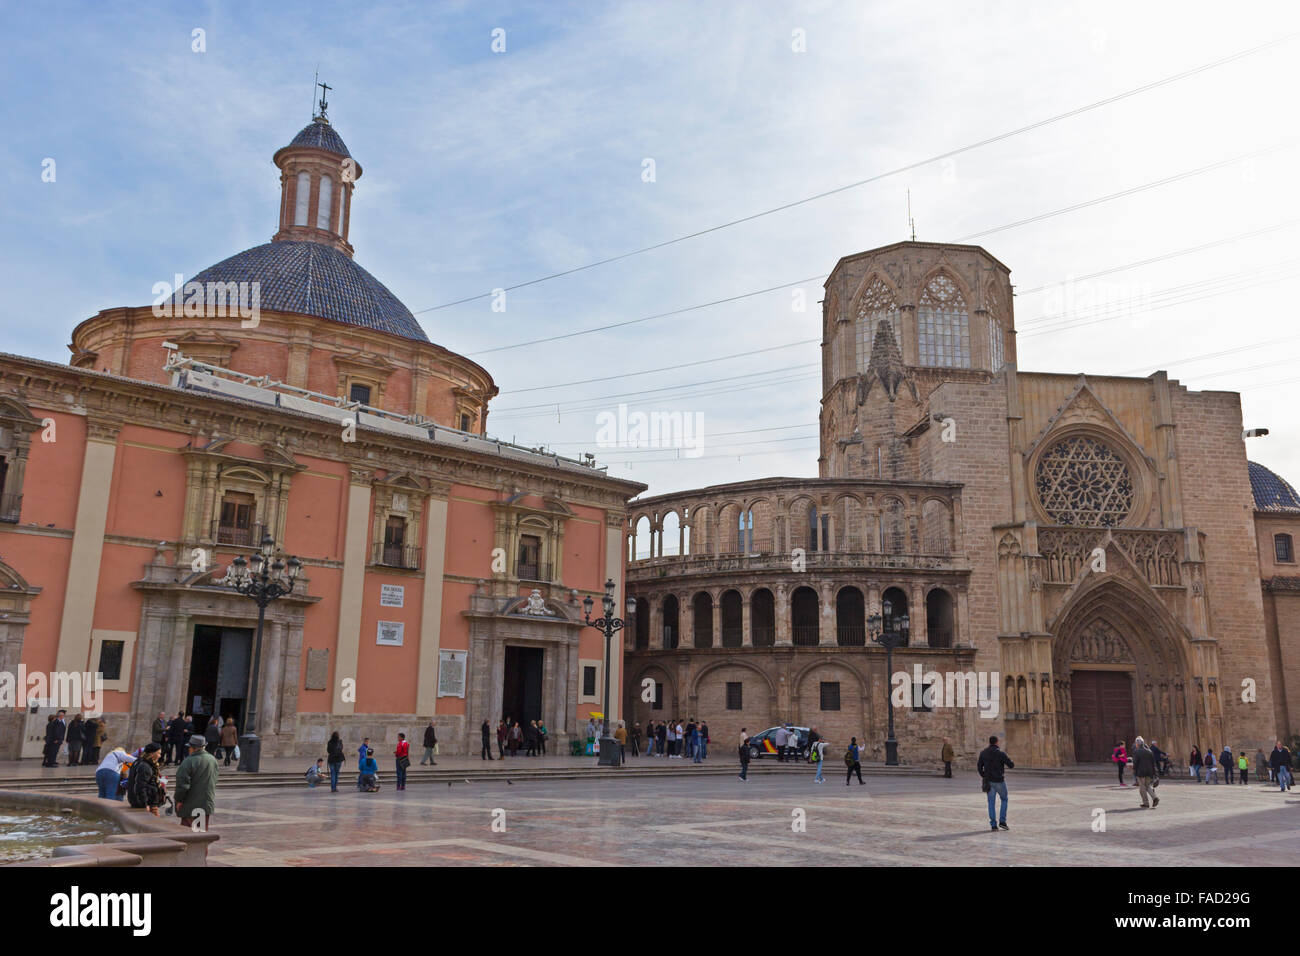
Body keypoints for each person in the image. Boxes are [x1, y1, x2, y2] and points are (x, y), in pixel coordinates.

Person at [175, 735, 218, 829]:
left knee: (188, 833)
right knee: (200, 833)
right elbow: (214, 780)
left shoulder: (188, 761)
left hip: (190, 804)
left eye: (189, 747)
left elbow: (182, 785)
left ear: (192, 748)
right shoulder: (212, 759)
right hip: (205, 802)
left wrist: (179, 800)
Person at [978, 735, 1014, 831]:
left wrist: (984, 775)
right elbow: (1011, 765)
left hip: (989, 781)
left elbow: (979, 767)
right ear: (997, 742)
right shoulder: (1001, 753)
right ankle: (1002, 821)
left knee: (991, 802)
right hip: (999, 781)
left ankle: (993, 825)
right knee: (1004, 799)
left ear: (989, 742)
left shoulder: (983, 753)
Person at [126, 743, 165, 814]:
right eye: (158, 753)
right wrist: (145, 804)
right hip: (148, 803)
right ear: (152, 754)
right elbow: (141, 786)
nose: (160, 756)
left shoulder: (139, 762)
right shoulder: (145, 766)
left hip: (144, 801)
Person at [1131, 736, 1159, 809]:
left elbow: (1135, 763)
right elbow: (1153, 763)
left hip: (1141, 772)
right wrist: (1154, 773)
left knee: (1142, 787)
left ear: (1137, 743)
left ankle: (1145, 803)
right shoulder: (1149, 751)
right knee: (1147, 786)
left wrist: (1134, 771)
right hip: (1149, 772)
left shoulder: (1136, 751)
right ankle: (1155, 797)